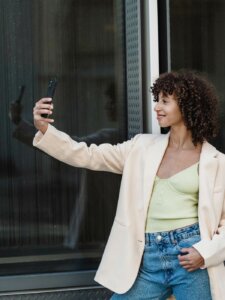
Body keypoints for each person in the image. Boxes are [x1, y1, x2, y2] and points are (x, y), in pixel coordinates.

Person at [33, 70, 225, 300]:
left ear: (187, 105)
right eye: (157, 100)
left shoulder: (217, 162)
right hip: (147, 258)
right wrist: (45, 130)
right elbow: (87, 155)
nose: (157, 107)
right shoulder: (141, 147)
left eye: (165, 101)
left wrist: (205, 253)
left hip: (190, 256)